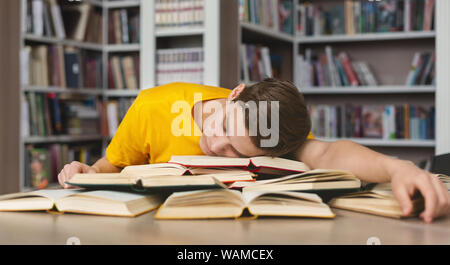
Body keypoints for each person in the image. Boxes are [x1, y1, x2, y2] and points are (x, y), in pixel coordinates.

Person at [58, 79, 449, 223]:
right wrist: (86, 172)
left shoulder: (273, 126)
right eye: (224, 126)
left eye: (233, 151)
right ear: (235, 94)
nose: (216, 146)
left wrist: (399, 168)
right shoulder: (152, 108)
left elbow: (328, 156)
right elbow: (110, 167)